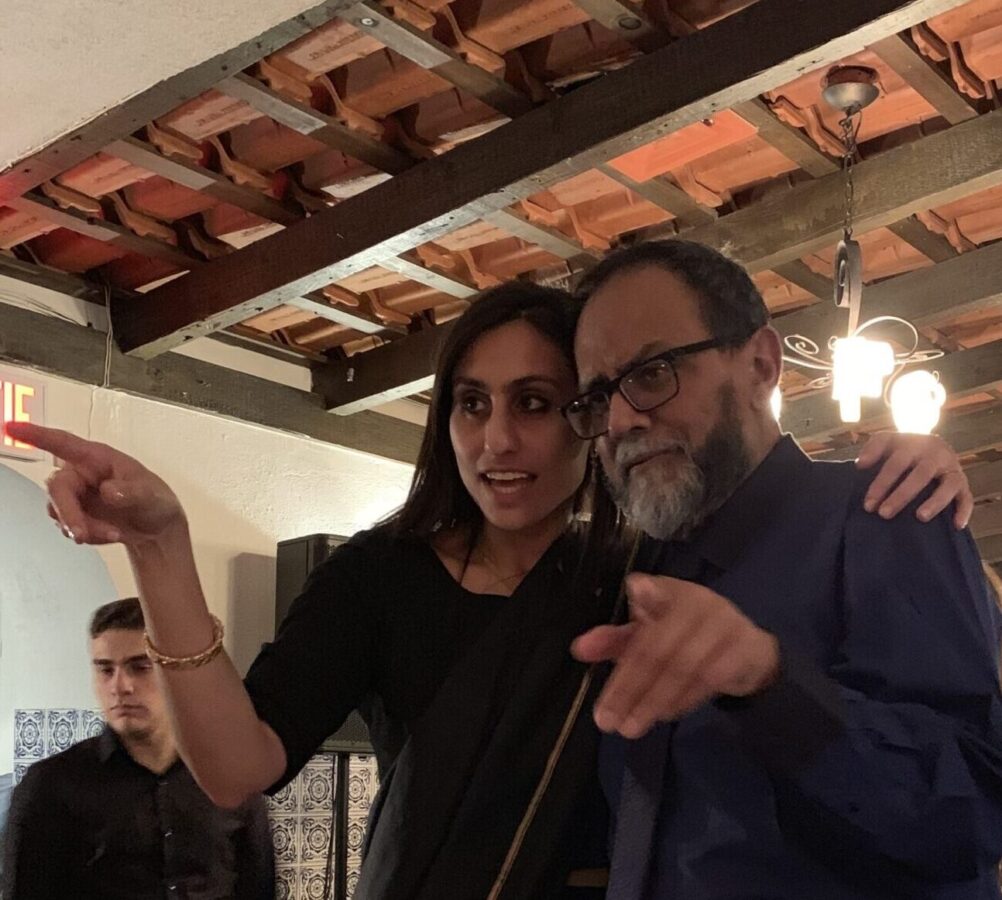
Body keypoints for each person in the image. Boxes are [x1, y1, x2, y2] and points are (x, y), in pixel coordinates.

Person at [4, 279, 975, 899]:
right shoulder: (380, 574)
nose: (497, 440)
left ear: (588, 420)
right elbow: (235, 769)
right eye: (472, 404)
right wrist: (161, 546)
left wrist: (899, 468)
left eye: (537, 404)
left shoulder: (643, 572)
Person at [566, 240, 1002, 897]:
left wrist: (770, 682)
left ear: (762, 365)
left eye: (653, 373)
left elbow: (976, 810)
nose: (622, 420)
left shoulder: (887, 511)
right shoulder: (632, 571)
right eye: (598, 399)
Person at [1, 598, 274, 900]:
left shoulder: (230, 777)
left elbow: (259, 888)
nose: (120, 687)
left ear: (179, 672)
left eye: (140, 667)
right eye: (106, 670)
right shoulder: (52, 785)